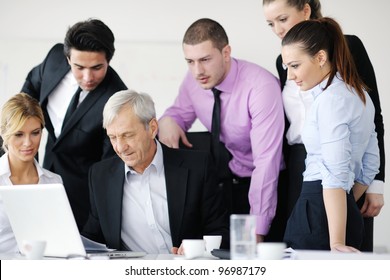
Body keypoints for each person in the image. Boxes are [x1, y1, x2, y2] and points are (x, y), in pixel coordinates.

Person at [263, 0, 385, 251]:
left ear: (321, 57)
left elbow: (334, 173)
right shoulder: (358, 95)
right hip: (335, 199)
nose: (291, 75)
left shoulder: (329, 101)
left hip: (316, 206)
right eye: (270, 23)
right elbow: (370, 162)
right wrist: (346, 202)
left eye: (295, 67)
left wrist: (336, 240)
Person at [158, 18, 284, 243]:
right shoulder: (194, 80)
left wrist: (257, 227)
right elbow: (179, 113)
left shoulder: (260, 87)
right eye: (190, 61)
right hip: (226, 184)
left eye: (205, 59)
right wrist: (168, 120)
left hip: (270, 186)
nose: (198, 71)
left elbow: (266, 161)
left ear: (226, 52)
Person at [81, 89, 229, 254]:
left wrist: (198, 249)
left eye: (128, 135)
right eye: (113, 137)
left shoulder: (198, 167)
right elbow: (93, 238)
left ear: (152, 128)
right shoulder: (100, 176)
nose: (120, 147)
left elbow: (220, 230)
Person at [21, 18, 127, 230]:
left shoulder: (117, 98)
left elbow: (108, 169)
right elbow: (30, 89)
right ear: (67, 58)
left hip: (81, 197)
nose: (88, 77)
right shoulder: (53, 58)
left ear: (109, 60)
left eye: (97, 67)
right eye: (79, 67)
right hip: (38, 176)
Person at [0, 93, 63, 253]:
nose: (28, 143)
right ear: (3, 133)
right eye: (19, 134)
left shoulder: (54, 183)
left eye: (35, 133)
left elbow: (60, 240)